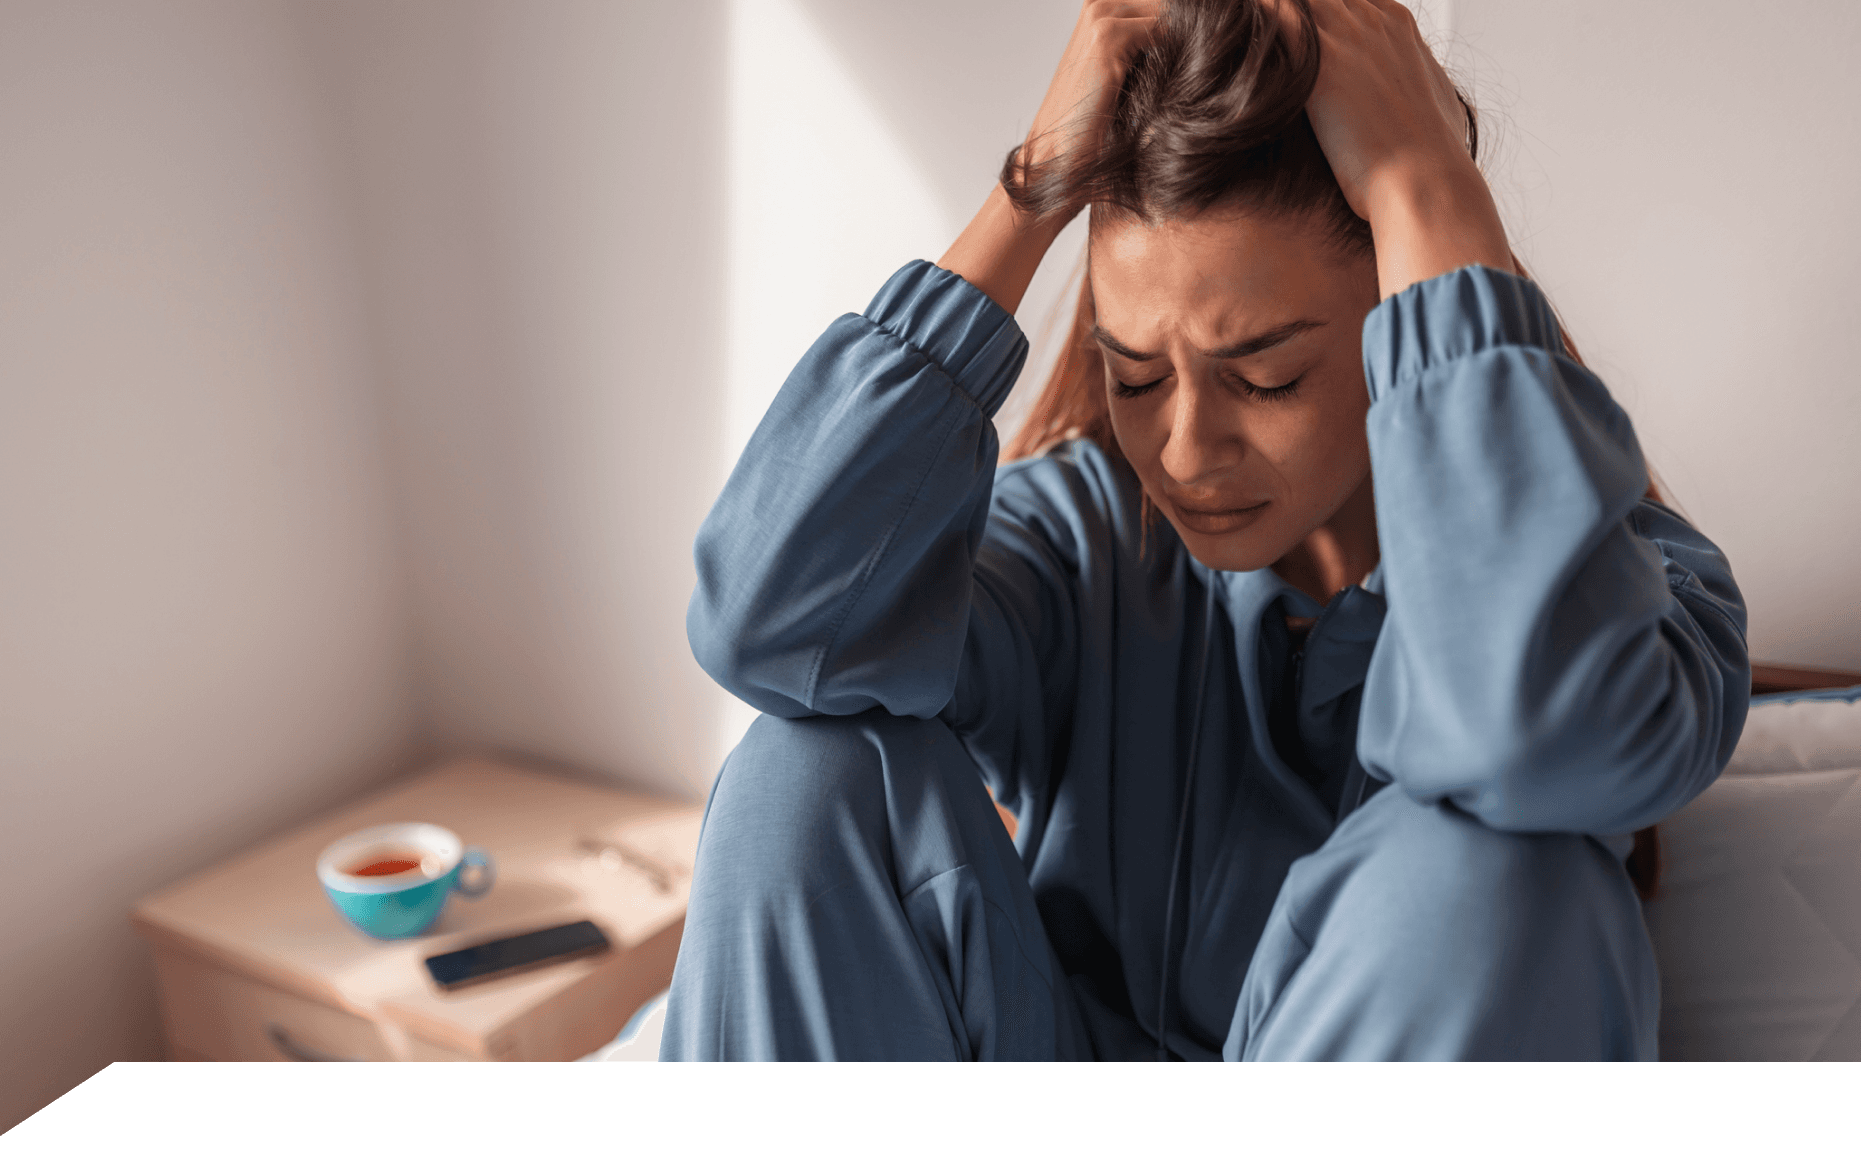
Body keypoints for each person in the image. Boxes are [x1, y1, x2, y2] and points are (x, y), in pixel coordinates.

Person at [660, 0, 1748, 1061]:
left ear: (1401, 310)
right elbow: (770, 630)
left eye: (1265, 377)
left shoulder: (1641, 598)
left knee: (1492, 880)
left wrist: (1427, 187)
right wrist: (1033, 188)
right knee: (797, 775)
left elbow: (1530, 731)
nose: (1183, 452)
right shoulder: (1086, 540)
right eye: (1134, 378)